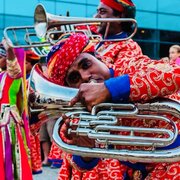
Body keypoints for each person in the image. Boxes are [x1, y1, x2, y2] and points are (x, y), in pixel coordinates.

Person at [45, 33, 180, 180]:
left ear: (98, 57)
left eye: (86, 65)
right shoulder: (80, 108)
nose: (84, 76)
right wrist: (86, 152)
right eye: (74, 78)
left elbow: (175, 73)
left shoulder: (129, 65)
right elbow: (79, 166)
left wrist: (111, 88)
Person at [0, 39, 32, 179]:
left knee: (10, 160)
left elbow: (13, 64)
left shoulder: (13, 76)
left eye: (1, 57)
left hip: (7, 124)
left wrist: (9, 50)